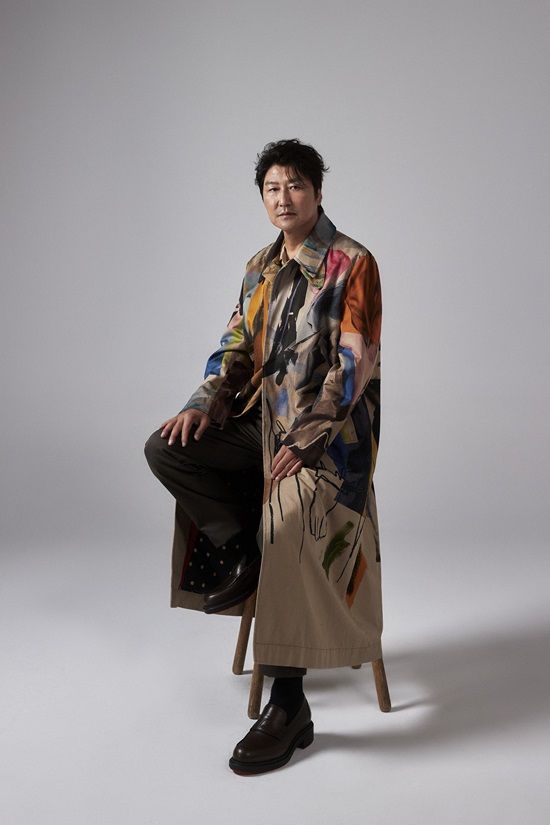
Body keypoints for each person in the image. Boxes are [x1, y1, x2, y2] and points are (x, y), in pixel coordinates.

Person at [144, 138, 383, 775]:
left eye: (295, 186)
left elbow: (355, 363)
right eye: (272, 188)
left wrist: (306, 439)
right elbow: (234, 345)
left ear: (318, 192)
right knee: (168, 447)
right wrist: (203, 401)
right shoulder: (258, 268)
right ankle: (241, 552)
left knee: (286, 523)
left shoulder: (352, 263)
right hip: (260, 427)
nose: (284, 198)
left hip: (328, 443)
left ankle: (288, 703)